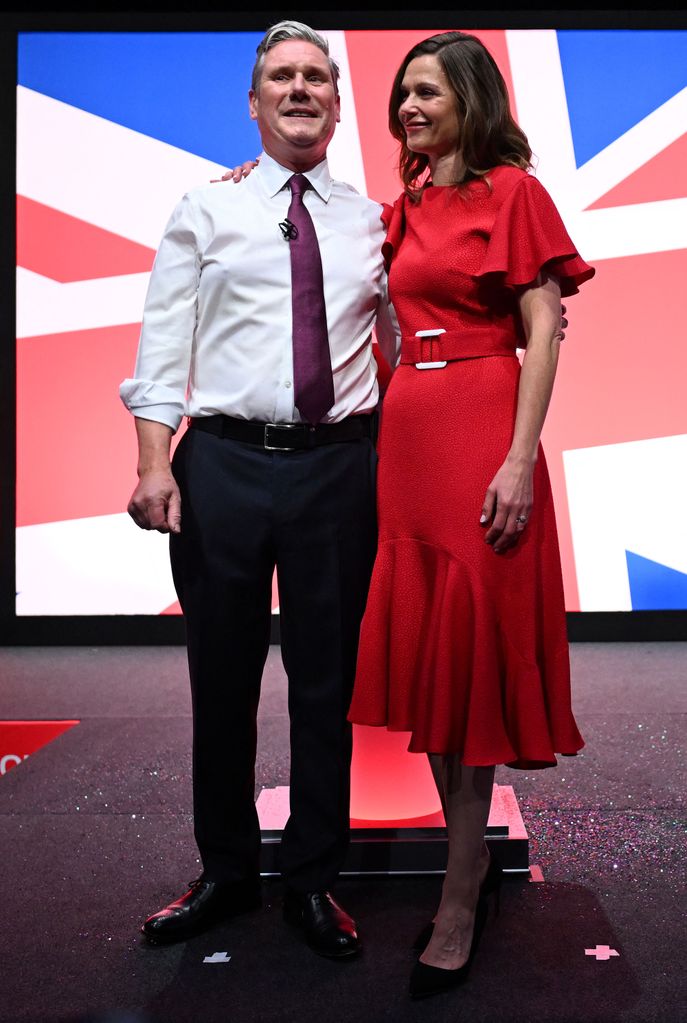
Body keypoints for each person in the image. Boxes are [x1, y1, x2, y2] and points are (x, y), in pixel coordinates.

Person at [119, 20, 401, 960]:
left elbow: (401, 347)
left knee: (326, 686)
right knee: (222, 681)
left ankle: (314, 882)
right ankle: (228, 872)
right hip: (224, 465)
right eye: (280, 76)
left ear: (335, 99)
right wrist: (155, 461)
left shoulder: (372, 221)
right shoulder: (206, 206)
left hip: (337, 468)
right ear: (252, 102)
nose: (299, 89)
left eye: (316, 77)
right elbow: (162, 344)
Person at [344, 31, 595, 999]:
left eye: (428, 93)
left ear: (472, 100)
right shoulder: (401, 209)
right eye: (403, 92)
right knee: (440, 668)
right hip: (407, 440)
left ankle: (458, 893)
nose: (409, 107)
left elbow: (541, 325)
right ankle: (469, 857)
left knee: (478, 657)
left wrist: (519, 458)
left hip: (484, 428)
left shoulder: (513, 193)